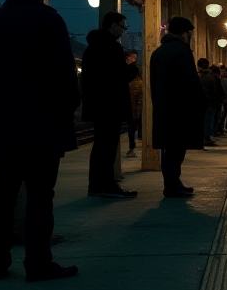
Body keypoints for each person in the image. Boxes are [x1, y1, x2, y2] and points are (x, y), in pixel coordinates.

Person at [0, 0, 80, 282]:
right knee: (40, 197)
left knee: (2, 193)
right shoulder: (49, 20)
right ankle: (38, 263)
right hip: (42, 127)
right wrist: (70, 106)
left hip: (2, 126)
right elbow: (63, 73)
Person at [81, 12, 138, 198]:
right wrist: (133, 69)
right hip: (111, 104)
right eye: (123, 26)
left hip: (97, 104)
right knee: (108, 146)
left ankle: (96, 184)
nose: (123, 30)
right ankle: (106, 185)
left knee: (100, 145)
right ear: (113, 26)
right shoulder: (112, 47)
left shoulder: (91, 47)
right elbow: (120, 75)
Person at [149, 17, 206, 197]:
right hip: (180, 110)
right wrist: (200, 102)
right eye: (190, 33)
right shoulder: (182, 51)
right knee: (177, 149)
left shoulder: (157, 53)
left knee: (169, 149)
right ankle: (173, 185)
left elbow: (153, 83)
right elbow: (190, 82)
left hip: (164, 109)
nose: (190, 37)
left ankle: (172, 183)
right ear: (184, 32)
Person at [125, 49, 143, 157]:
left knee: (131, 126)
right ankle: (132, 146)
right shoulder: (134, 74)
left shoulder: (134, 71)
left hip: (133, 105)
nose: (135, 60)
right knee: (132, 126)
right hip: (133, 105)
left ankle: (132, 146)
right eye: (133, 57)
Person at [199, 63, 222, 146]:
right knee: (208, 121)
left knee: (202, 121)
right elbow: (215, 91)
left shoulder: (198, 78)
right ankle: (207, 138)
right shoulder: (211, 79)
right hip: (210, 103)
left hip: (200, 103)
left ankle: (204, 138)